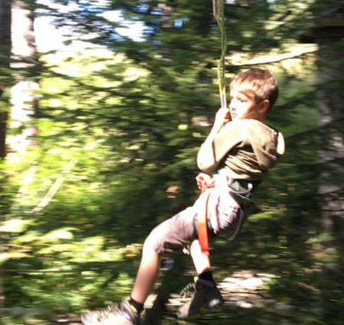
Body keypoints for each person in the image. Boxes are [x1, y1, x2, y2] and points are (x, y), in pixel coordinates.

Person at [81, 68, 285, 325]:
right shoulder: (273, 137)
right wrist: (219, 181)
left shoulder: (239, 129)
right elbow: (243, 173)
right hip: (234, 210)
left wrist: (216, 128)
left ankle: (130, 312)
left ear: (263, 105)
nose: (233, 105)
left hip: (219, 206)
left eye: (242, 100)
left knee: (153, 243)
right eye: (232, 98)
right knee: (193, 241)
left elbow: (204, 161)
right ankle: (206, 283)